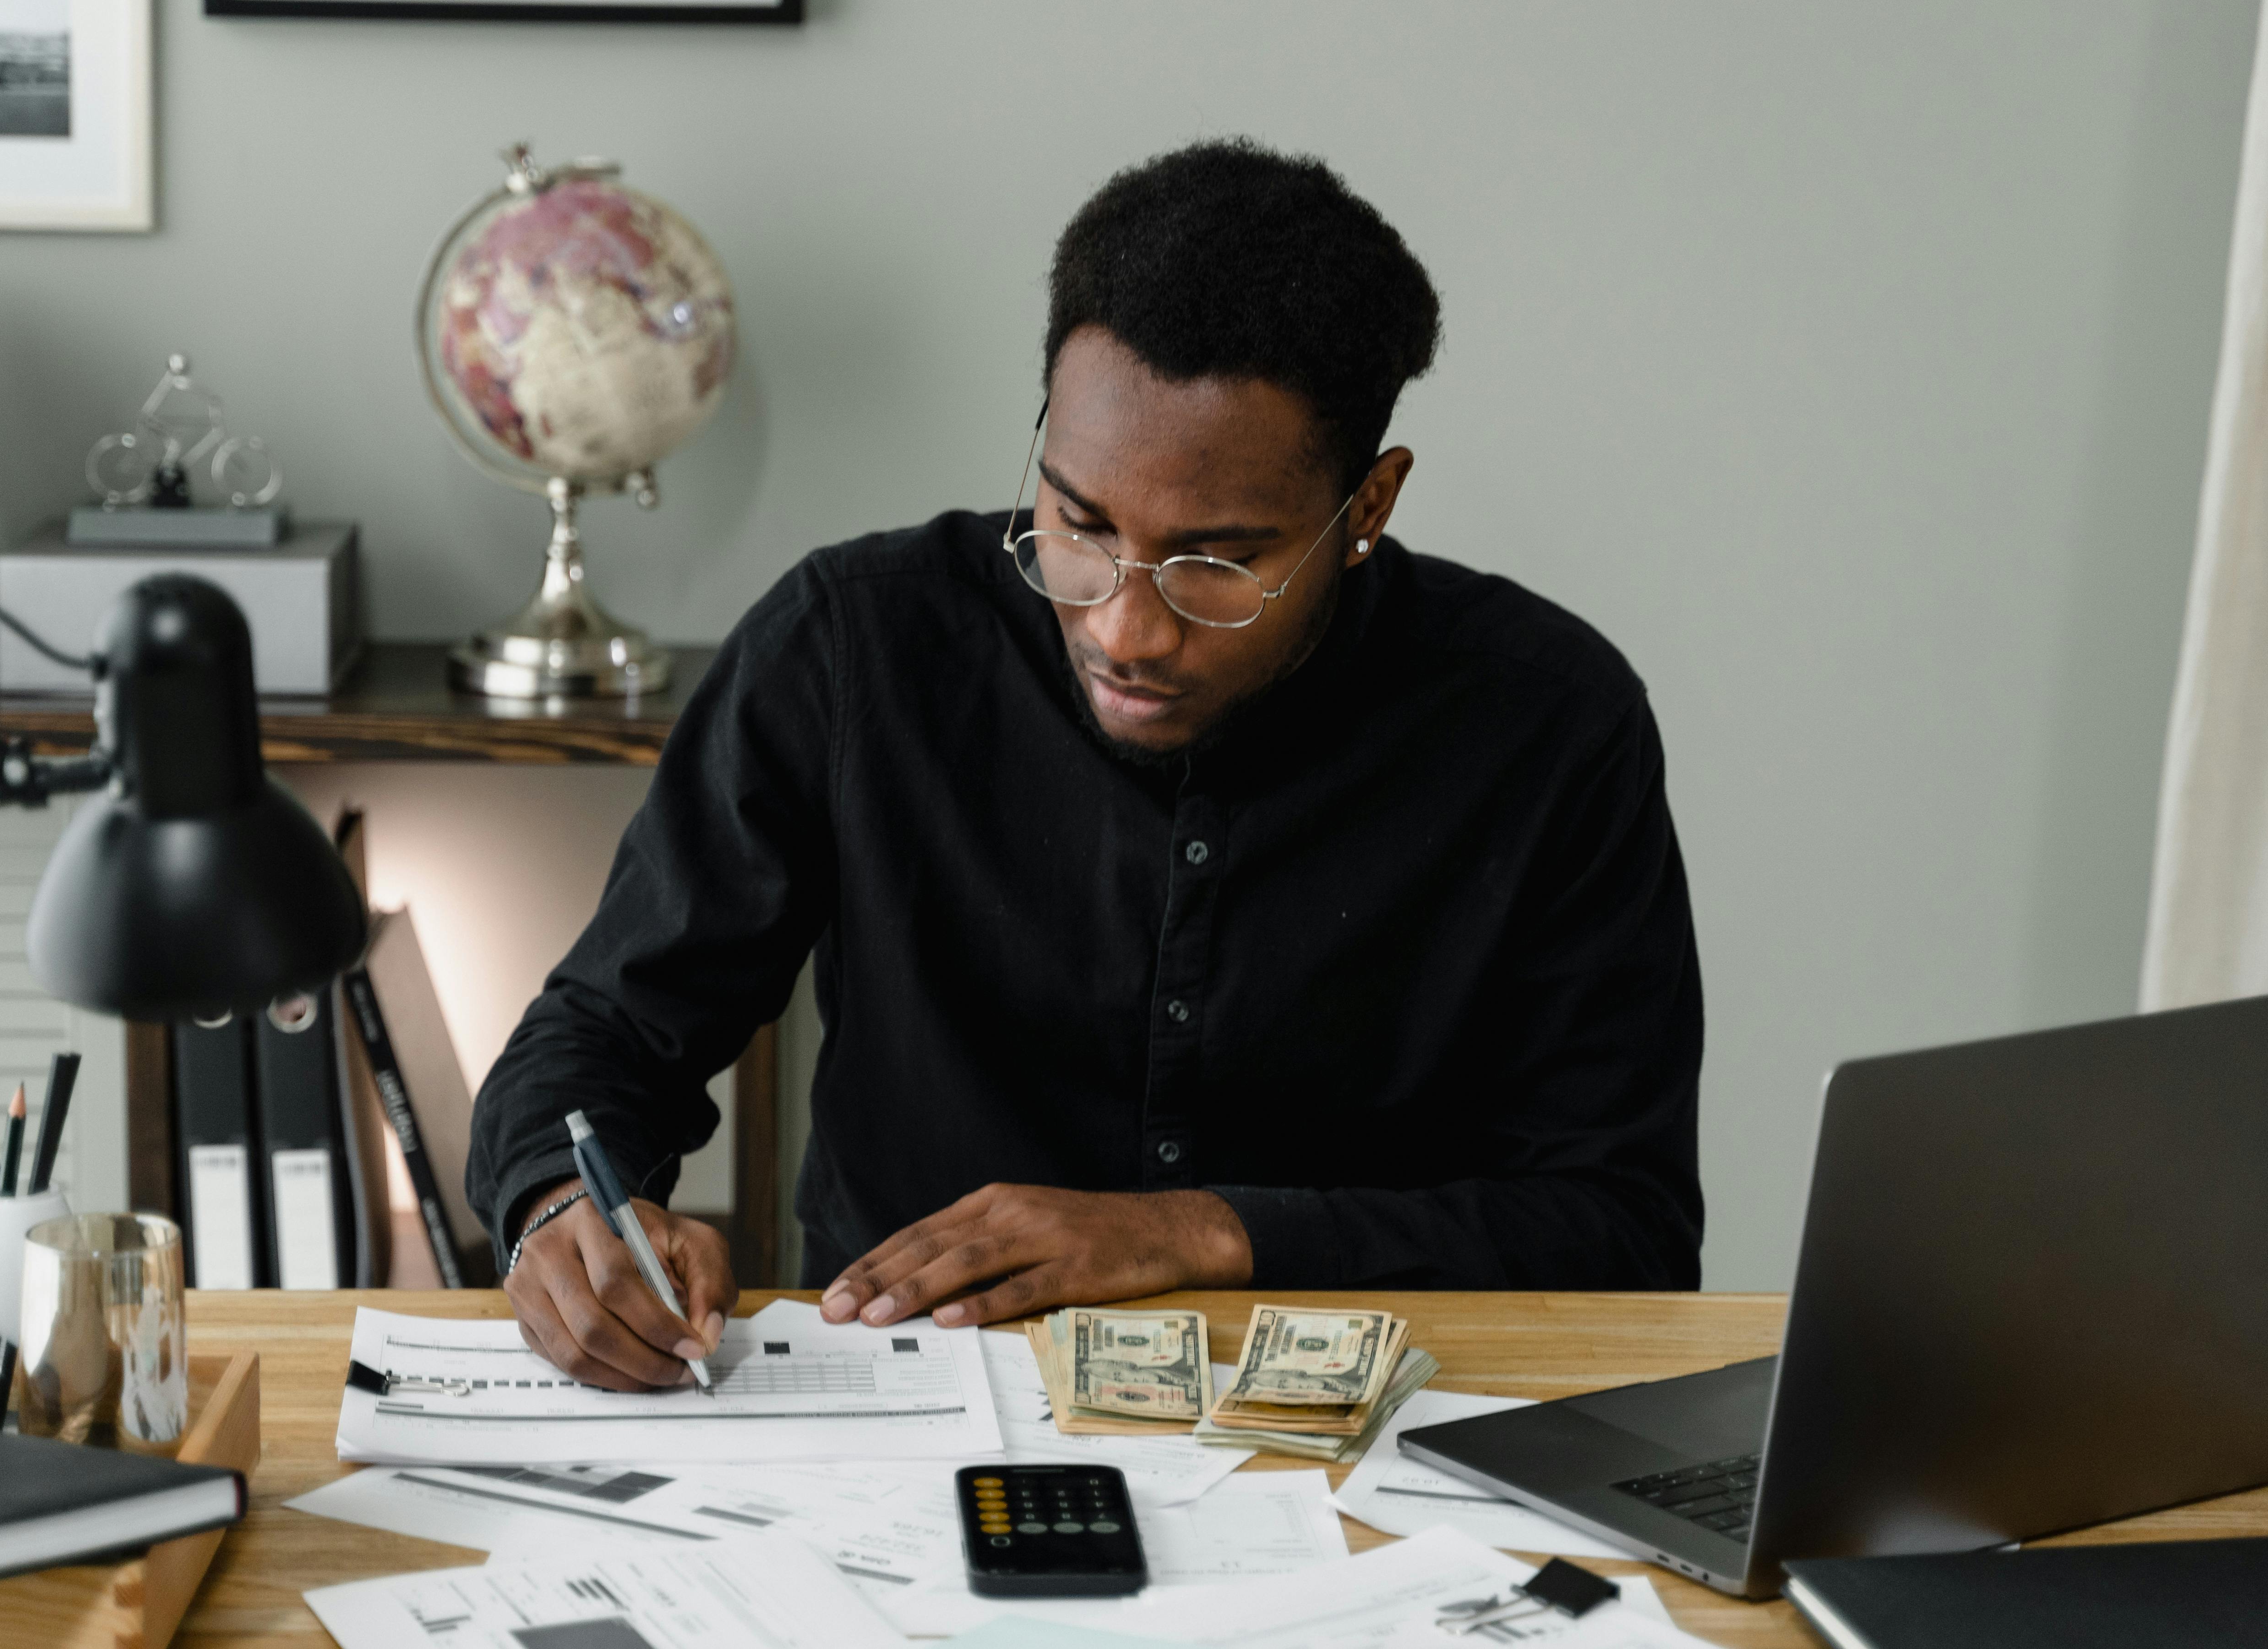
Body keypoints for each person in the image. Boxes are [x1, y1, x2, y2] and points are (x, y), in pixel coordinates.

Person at [470, 139, 1705, 1392]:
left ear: (1367, 507)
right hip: (907, 1403)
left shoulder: (1546, 720)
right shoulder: (856, 643)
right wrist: (559, 1206)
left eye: (1216, 562)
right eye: (1078, 523)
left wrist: (1200, 1232)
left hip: (1364, 1424)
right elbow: (605, 1028)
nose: (1123, 626)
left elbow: (1623, 1229)